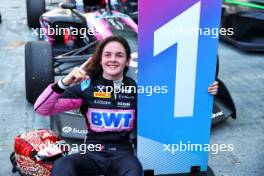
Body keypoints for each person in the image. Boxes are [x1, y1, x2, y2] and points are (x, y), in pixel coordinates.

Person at [34, 36, 218, 176]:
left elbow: (173, 102)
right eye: (108, 55)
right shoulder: (86, 87)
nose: (113, 59)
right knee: (62, 165)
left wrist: (204, 91)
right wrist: (64, 82)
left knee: (134, 170)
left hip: (122, 155)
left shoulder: (138, 88)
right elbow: (41, 109)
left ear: (127, 61)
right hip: (91, 152)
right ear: (100, 60)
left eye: (119, 55)